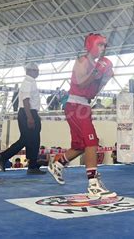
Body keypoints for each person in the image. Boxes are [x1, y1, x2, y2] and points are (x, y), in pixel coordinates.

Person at [48, 33, 116, 198]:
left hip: (84, 104)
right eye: (99, 45)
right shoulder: (82, 62)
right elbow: (81, 83)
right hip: (75, 105)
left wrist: (105, 78)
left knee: (80, 145)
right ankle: (93, 185)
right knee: (91, 141)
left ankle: (58, 164)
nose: (102, 48)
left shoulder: (98, 64)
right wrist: (97, 72)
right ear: (91, 45)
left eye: (103, 46)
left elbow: (92, 93)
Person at [0, 62, 46, 175]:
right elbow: (25, 100)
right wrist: (30, 117)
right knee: (26, 139)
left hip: (30, 112)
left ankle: (32, 164)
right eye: (36, 70)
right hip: (27, 113)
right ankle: (4, 156)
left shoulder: (31, 82)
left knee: (34, 139)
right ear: (30, 71)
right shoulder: (27, 82)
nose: (38, 73)